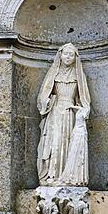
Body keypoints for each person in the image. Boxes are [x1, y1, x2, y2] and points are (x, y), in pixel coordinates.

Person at [37, 43, 90, 187]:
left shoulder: (79, 75)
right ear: (60, 55)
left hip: (70, 113)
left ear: (75, 57)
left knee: (68, 143)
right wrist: (46, 101)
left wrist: (83, 109)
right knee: (55, 142)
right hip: (55, 112)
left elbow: (84, 98)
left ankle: (68, 176)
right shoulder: (53, 73)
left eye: (71, 54)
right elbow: (43, 95)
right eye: (65, 53)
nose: (68, 57)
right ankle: (52, 174)